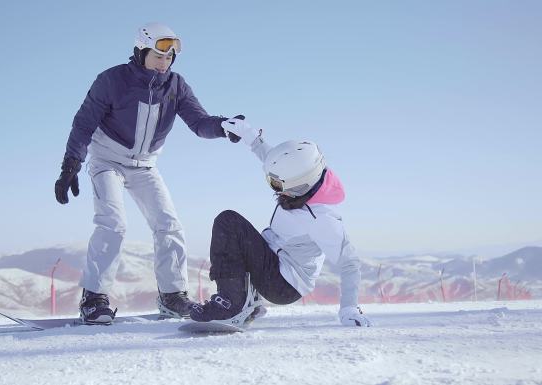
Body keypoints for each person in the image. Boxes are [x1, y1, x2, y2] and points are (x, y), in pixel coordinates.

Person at [55, 22, 242, 325]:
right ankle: (93, 298)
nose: (163, 62)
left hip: (145, 165)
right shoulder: (112, 80)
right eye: (157, 55)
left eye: (169, 58)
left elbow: (199, 122)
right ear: (140, 51)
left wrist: (222, 127)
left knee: (169, 225)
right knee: (113, 224)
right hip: (108, 160)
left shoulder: (176, 86)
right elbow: (84, 123)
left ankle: (172, 297)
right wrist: (70, 164)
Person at [189, 119, 372, 327]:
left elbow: (349, 263)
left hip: (283, 284)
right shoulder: (298, 183)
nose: (274, 188)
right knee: (238, 237)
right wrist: (248, 135)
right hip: (276, 263)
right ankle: (247, 301)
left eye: (276, 183)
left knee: (228, 222)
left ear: (300, 184)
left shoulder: (322, 219)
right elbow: (270, 158)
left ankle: (231, 305)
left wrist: (349, 308)